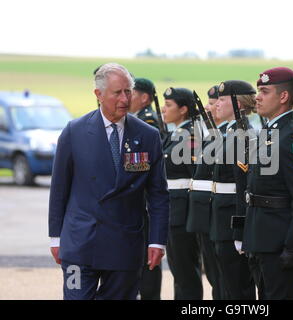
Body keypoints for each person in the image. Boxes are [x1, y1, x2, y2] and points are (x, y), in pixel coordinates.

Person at [48, 63, 169, 300]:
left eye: (128, 91)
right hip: (79, 245)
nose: (125, 99)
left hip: (125, 245)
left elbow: (158, 195)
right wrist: (56, 237)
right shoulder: (74, 132)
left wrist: (157, 241)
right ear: (99, 94)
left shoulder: (148, 135)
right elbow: (59, 189)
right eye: (117, 92)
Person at [241, 67, 293, 299]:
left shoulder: (292, 135)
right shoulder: (270, 132)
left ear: (283, 97)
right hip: (261, 238)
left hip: (280, 242)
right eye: (257, 91)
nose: (257, 97)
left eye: (264, 91)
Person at [210, 80, 256, 300]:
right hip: (221, 217)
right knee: (225, 286)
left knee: (237, 287)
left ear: (239, 103)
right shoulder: (230, 133)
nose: (216, 104)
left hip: (231, 219)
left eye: (222, 99)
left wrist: (240, 228)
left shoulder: (242, 134)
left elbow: (243, 186)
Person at [186, 85, 227, 299]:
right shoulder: (211, 136)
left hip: (219, 214)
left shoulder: (233, 136)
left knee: (225, 281)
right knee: (214, 277)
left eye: (214, 104)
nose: (210, 109)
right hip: (205, 213)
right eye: (209, 104)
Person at [162, 87, 202, 299]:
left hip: (184, 211)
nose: (163, 109)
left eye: (169, 105)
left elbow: (194, 176)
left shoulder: (190, 137)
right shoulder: (177, 134)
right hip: (174, 210)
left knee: (186, 271)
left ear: (184, 109)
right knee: (178, 269)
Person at [129, 77, 163, 300]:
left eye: (130, 92)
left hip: (144, 202)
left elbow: (139, 166)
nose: (126, 98)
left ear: (144, 98)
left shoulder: (147, 122)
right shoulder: (134, 119)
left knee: (146, 263)